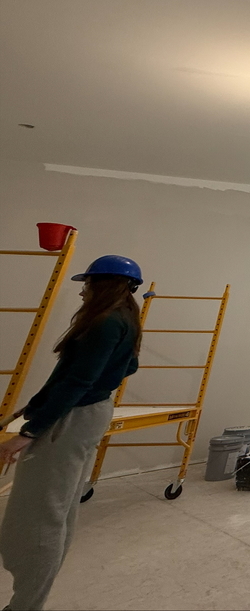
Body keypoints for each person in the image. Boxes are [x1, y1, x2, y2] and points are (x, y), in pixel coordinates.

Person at [0, 255, 144, 611]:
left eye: (88, 284)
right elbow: (129, 366)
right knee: (57, 507)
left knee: (39, 512)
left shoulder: (106, 322)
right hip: (89, 414)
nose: (83, 292)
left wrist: (29, 432)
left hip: (75, 417)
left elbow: (78, 381)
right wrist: (32, 408)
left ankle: (25, 604)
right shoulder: (125, 319)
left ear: (104, 284)